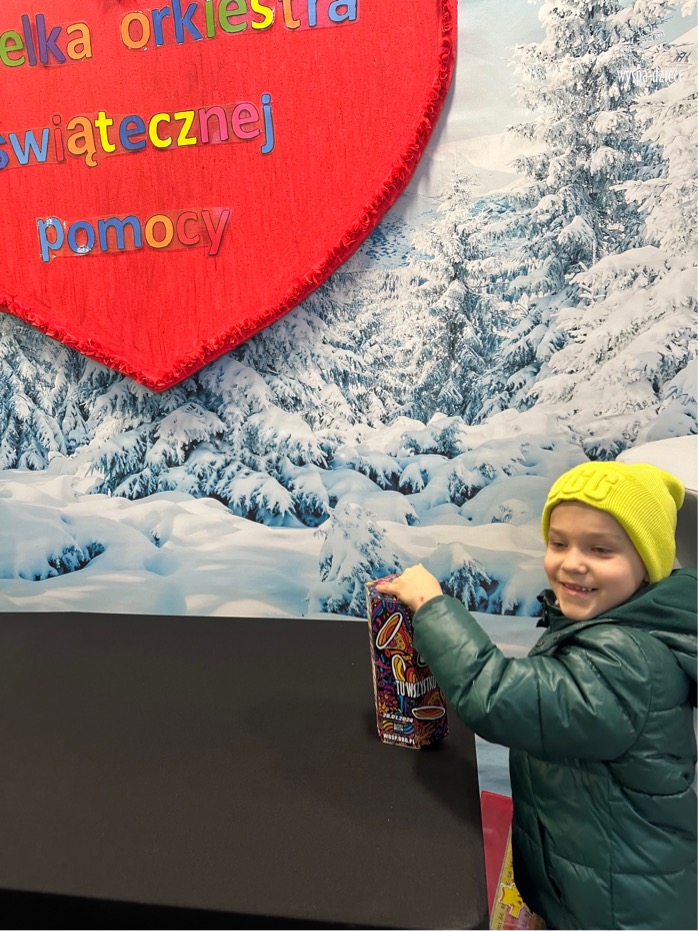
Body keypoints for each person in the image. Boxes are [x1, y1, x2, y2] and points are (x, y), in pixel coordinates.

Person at [376, 461, 697, 930]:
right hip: (596, 888)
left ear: (648, 564)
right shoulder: (612, 628)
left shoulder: (627, 662)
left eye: (601, 549)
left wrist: (431, 606)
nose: (572, 562)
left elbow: (493, 696)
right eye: (559, 543)